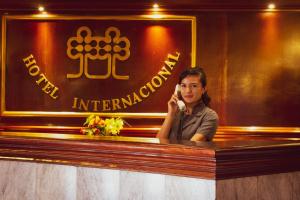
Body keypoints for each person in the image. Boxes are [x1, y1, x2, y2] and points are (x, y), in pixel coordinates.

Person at [156, 67, 218, 142]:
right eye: (183, 86)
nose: (188, 91)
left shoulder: (210, 116)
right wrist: (171, 113)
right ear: (178, 89)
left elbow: (190, 148)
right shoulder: (176, 112)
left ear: (203, 89)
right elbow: (158, 142)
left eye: (194, 86)